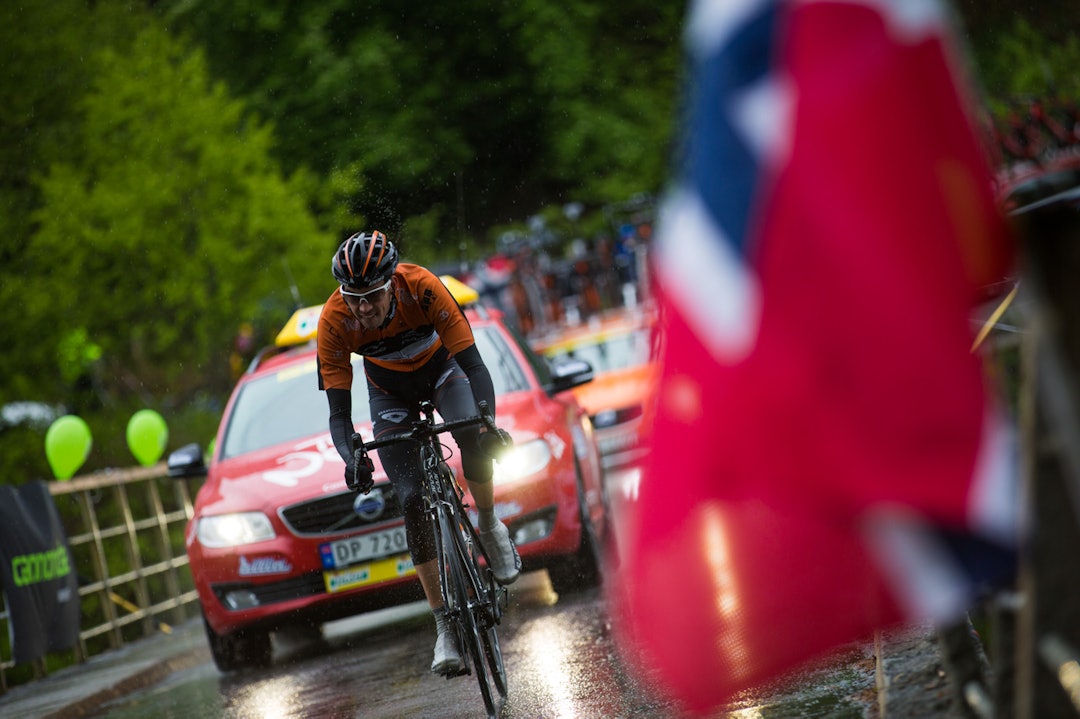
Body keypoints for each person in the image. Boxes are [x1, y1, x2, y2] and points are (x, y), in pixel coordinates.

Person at [316, 230, 520, 675]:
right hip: (389, 393)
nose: (363, 307)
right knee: (409, 497)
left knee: (470, 435)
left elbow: (474, 366)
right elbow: (338, 414)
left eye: (371, 295)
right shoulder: (334, 319)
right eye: (354, 298)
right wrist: (352, 457)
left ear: (391, 283)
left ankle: (488, 526)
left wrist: (487, 424)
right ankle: (444, 624)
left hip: (445, 372)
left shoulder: (423, 287)